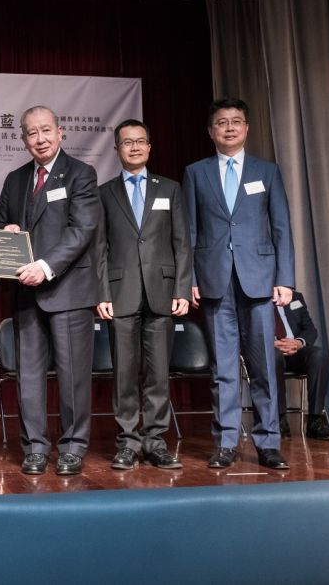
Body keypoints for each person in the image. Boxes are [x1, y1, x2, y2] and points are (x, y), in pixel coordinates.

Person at [182, 98, 295, 470]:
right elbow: (190, 232)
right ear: (210, 131)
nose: (229, 128)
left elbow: (281, 228)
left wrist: (286, 279)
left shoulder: (267, 171)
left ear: (246, 128)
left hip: (260, 281)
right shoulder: (196, 173)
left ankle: (268, 441)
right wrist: (192, 280)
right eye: (221, 123)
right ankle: (226, 442)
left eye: (236, 122)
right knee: (223, 369)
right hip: (215, 282)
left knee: (264, 365)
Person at [0, 105, 100, 476]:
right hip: (25, 292)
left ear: (61, 131)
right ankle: (35, 446)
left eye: (46, 131)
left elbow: (82, 231)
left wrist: (46, 266)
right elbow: (0, 221)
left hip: (68, 289)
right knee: (30, 377)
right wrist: (3, 233)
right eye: (31, 133)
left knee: (72, 376)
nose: (40, 139)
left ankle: (72, 446)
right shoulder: (15, 178)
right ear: (23, 139)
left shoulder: (81, 174)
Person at [95, 119, 192, 470]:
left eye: (140, 142)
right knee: (124, 373)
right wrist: (102, 291)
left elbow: (182, 243)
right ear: (117, 149)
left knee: (158, 373)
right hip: (120, 294)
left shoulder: (170, 189)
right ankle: (127, 442)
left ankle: (155, 441)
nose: (134, 147)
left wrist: (182, 287)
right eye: (126, 142)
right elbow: (99, 248)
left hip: (162, 292)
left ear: (150, 147)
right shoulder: (104, 193)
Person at [274, 290, 329, 440]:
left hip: (296, 350)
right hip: (271, 350)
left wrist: (298, 342)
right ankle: (279, 419)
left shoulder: (295, 297)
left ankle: (315, 420)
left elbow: (310, 329)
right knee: (273, 358)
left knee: (318, 355)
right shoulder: (254, 296)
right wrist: (272, 343)